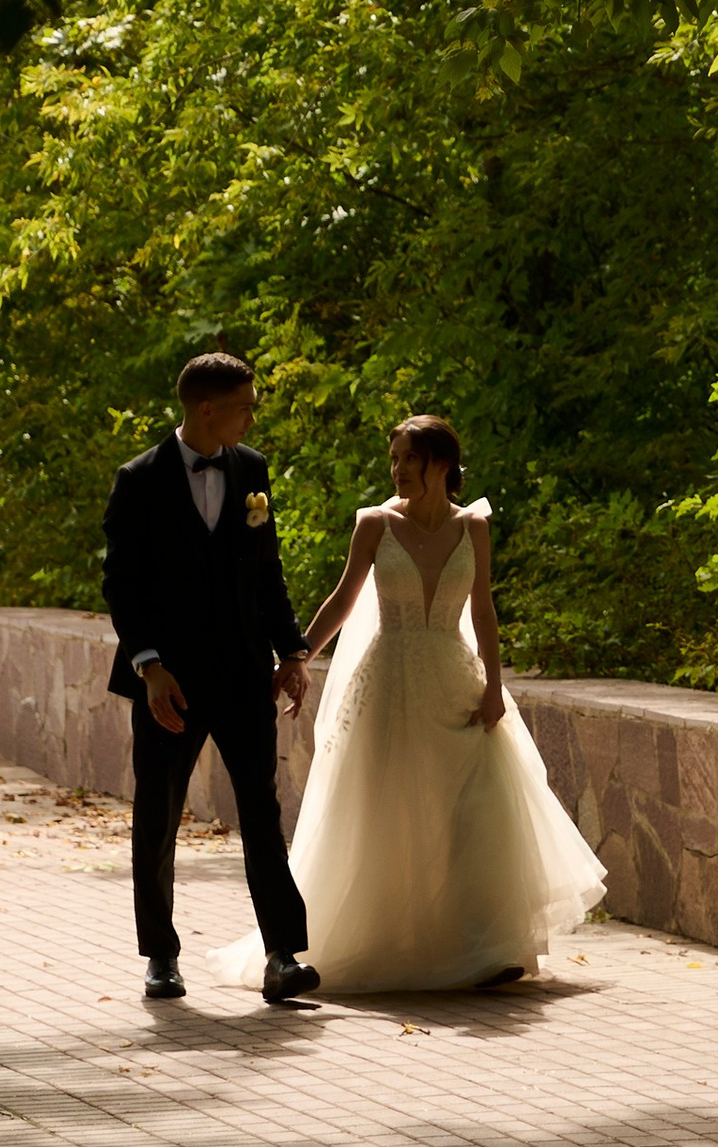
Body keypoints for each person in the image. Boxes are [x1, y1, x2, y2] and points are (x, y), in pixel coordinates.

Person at [220, 413, 605, 996]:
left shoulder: (474, 526)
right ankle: (381, 938)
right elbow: (344, 599)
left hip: (457, 682)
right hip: (389, 686)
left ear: (442, 465)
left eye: (408, 459)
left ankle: (488, 948)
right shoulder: (375, 524)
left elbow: (483, 612)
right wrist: (296, 658)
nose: (397, 470)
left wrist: (495, 686)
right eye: (393, 459)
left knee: (474, 813)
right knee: (388, 812)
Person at [102, 351, 320, 1007]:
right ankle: (161, 958)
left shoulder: (250, 470)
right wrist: (150, 666)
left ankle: (281, 955)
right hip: (169, 682)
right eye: (245, 404)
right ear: (207, 408)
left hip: (244, 674)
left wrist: (292, 651)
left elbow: (267, 569)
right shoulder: (138, 479)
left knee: (262, 811)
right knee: (158, 816)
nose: (253, 415)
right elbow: (121, 584)